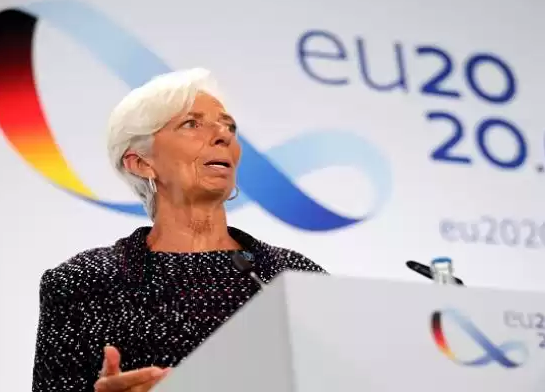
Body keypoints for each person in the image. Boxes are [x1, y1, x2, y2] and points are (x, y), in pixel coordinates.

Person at [31, 68, 326, 392]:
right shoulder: (84, 283)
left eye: (228, 126)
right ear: (141, 163)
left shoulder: (292, 275)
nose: (223, 136)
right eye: (191, 124)